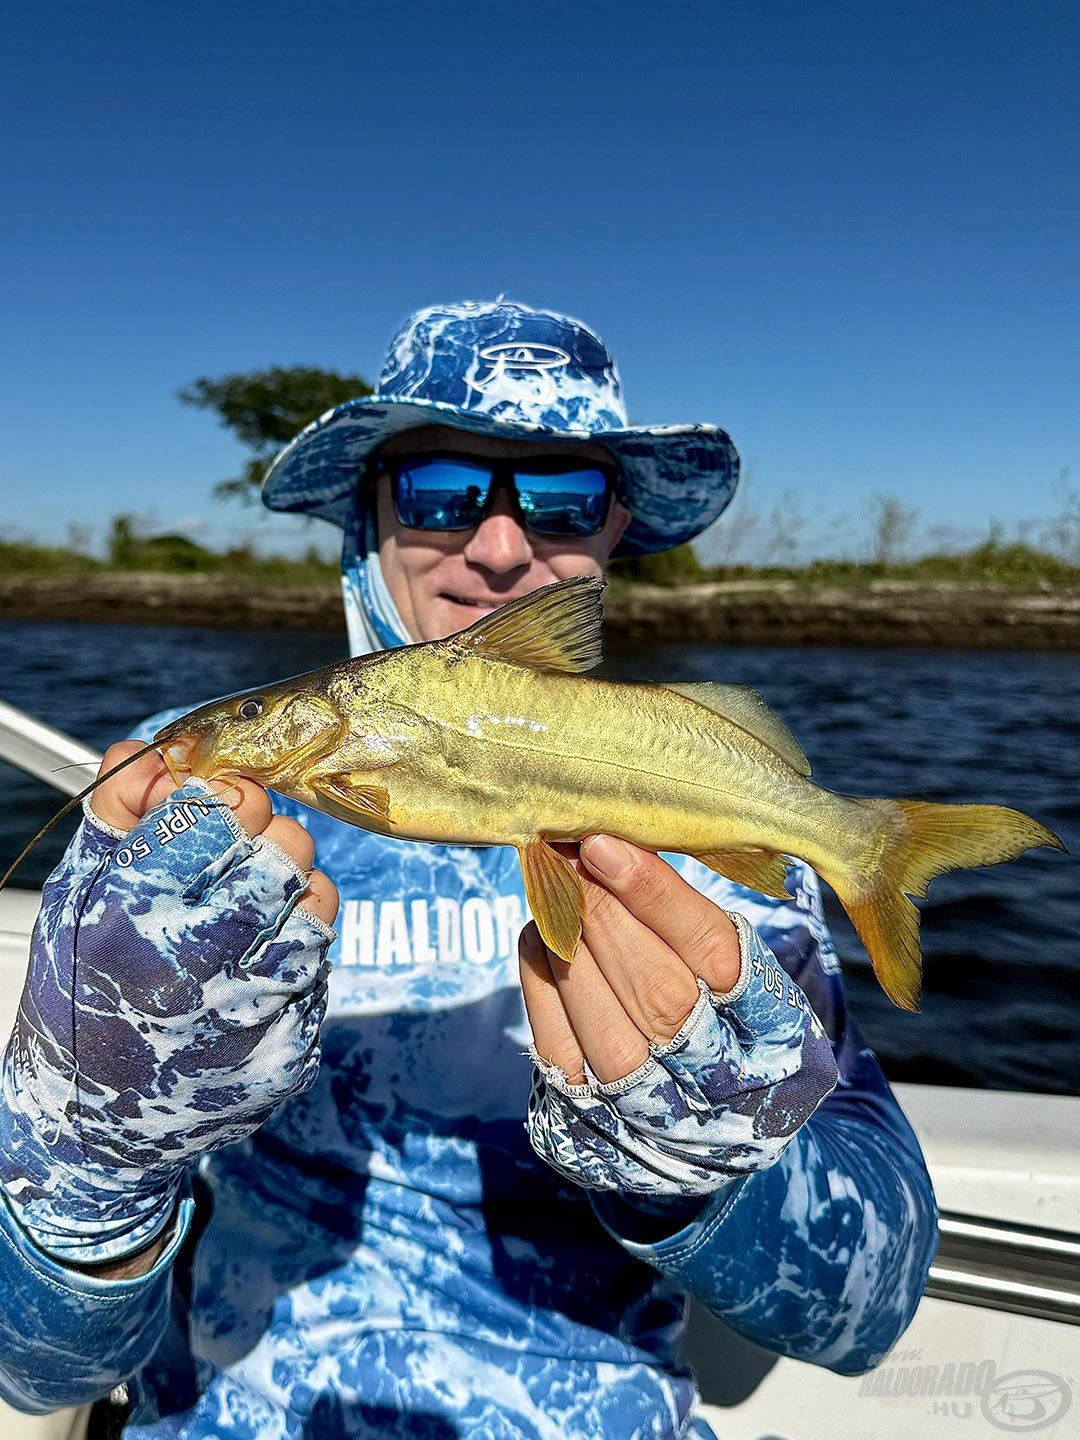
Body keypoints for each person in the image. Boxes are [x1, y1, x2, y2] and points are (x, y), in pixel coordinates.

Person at [0, 299, 938, 1439]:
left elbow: (870, 1319)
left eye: (562, 498)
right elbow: (33, 1377)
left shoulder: (731, 842)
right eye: (440, 491)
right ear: (369, 515)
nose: (500, 547)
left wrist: (703, 1175)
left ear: (615, 530)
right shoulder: (178, 818)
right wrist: (89, 1146)